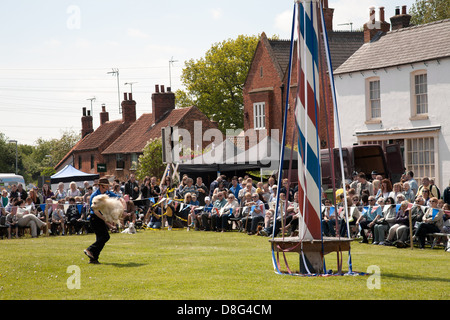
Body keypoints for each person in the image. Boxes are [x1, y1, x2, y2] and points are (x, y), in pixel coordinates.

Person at [84, 178, 124, 264]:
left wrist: (122, 205)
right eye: (106, 186)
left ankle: (93, 259)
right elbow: (95, 211)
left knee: (101, 239)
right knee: (105, 237)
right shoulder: (94, 196)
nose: (108, 187)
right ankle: (89, 249)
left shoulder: (108, 193)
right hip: (95, 218)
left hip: (101, 218)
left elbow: (119, 198)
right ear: (101, 186)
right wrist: (107, 220)